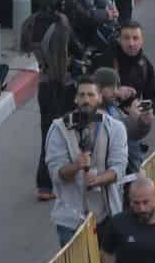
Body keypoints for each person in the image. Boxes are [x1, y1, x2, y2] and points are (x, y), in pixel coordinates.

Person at [46, 76, 128, 246]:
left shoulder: (115, 128)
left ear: (100, 98)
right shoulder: (58, 129)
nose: (86, 100)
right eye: (81, 95)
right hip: (70, 219)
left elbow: (119, 168)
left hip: (106, 214)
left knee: (107, 261)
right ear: (75, 99)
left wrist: (97, 180)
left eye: (91, 95)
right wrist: (77, 166)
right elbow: (56, 174)